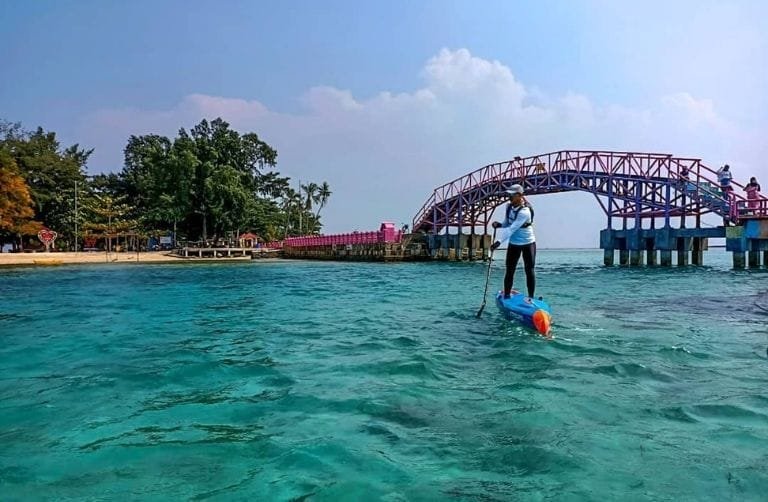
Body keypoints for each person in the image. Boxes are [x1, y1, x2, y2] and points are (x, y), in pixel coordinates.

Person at [491, 184, 536, 299]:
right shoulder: (508, 207)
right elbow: (507, 223)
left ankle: (531, 298)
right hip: (514, 243)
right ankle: (506, 295)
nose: (509, 196)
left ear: (520, 196)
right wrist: (499, 225)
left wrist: (498, 242)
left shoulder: (524, 211)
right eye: (508, 194)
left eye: (512, 194)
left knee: (529, 270)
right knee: (510, 270)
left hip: (528, 243)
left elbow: (512, 228)